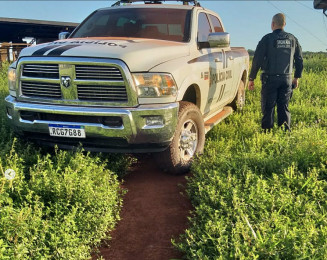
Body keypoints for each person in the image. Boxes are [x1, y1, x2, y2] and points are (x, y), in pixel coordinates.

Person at [248, 13, 303, 131]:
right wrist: (296, 77)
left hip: (270, 79)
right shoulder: (292, 39)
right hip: (286, 79)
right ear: (284, 24)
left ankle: (267, 132)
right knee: (284, 107)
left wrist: (251, 78)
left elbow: (257, 59)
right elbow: (299, 59)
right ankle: (285, 133)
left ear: (272, 24)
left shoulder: (267, 39)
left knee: (268, 107)